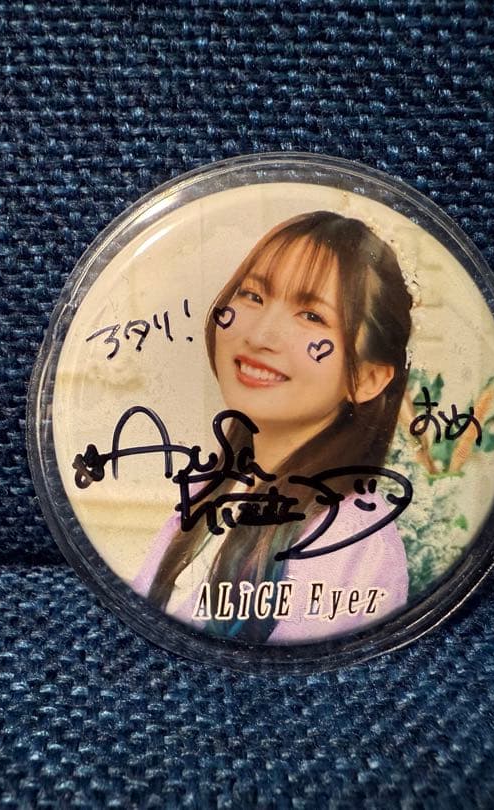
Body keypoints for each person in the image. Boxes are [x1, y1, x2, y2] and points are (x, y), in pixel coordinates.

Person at [131, 211, 414, 644]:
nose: (260, 334)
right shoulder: (210, 489)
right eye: (253, 295)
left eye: (312, 316)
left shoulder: (352, 538)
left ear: (369, 378)